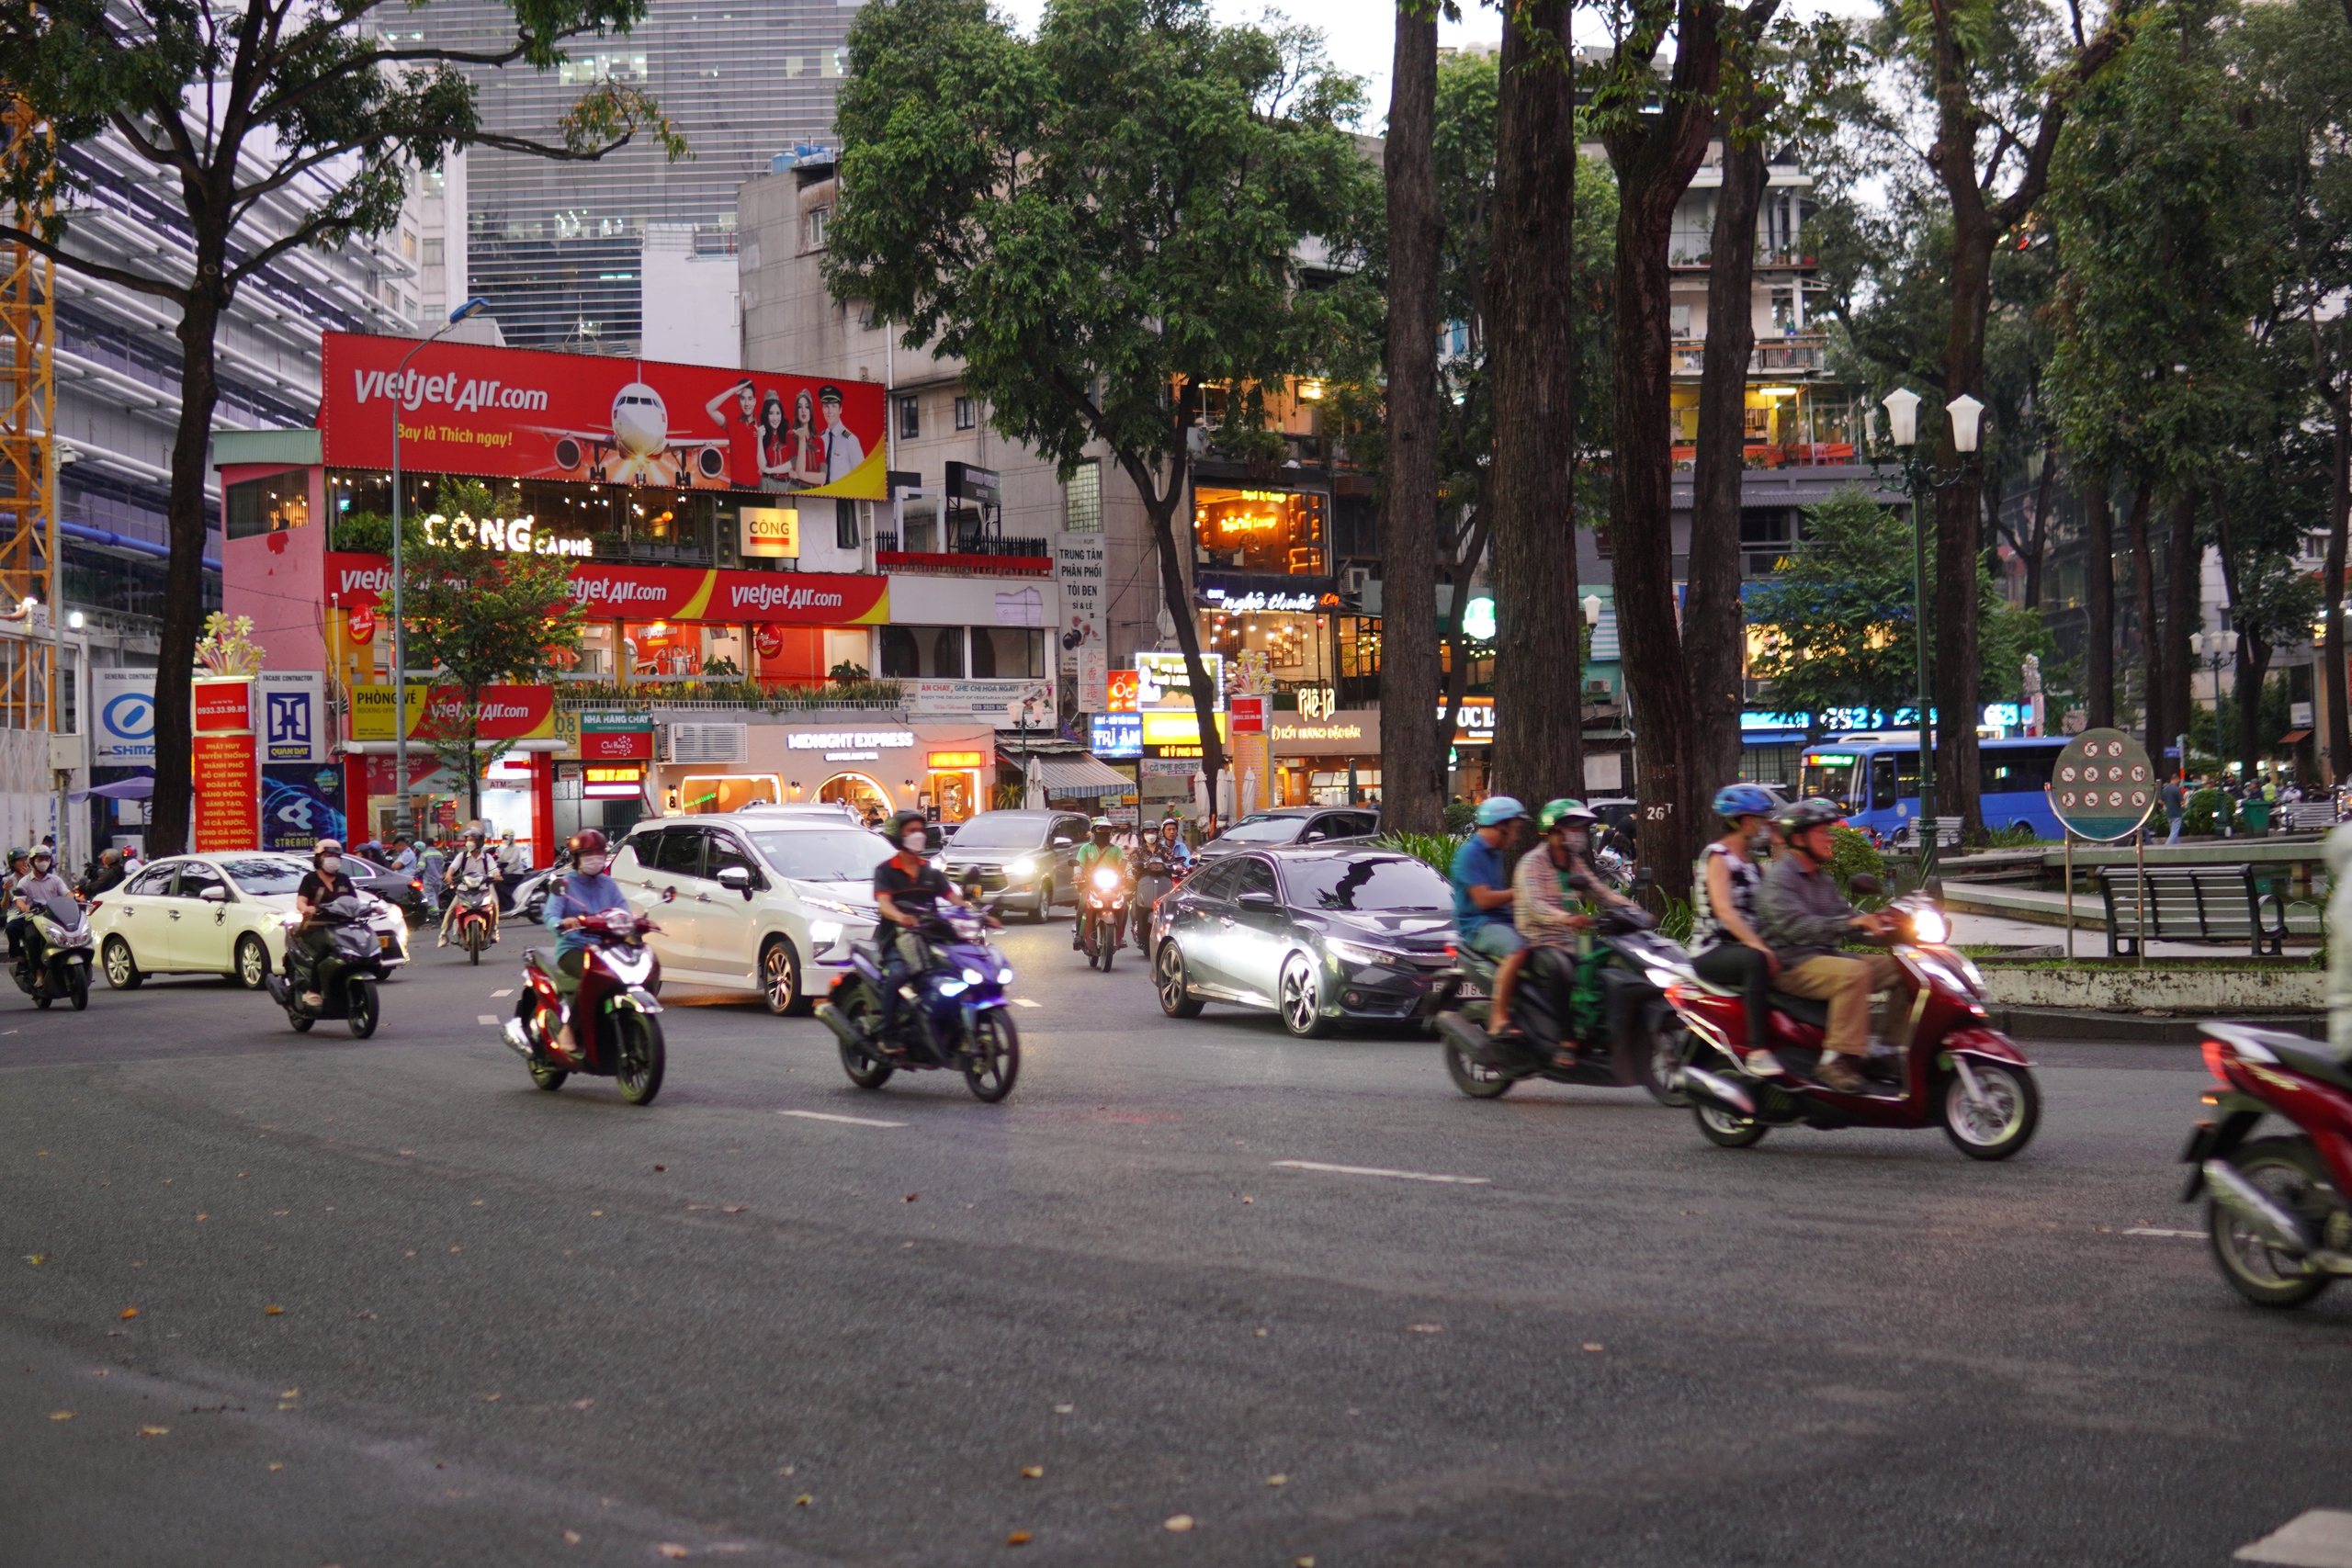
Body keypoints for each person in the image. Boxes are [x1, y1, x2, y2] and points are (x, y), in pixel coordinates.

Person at [1756, 798, 1912, 1094]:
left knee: (1904, 969)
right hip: (1793, 964)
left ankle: (1891, 1051)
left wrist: (1885, 927)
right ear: (1799, 838)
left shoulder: (1821, 879)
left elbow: (1847, 920)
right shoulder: (1780, 881)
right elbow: (1797, 928)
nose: (1830, 838)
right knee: (1853, 973)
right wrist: (1849, 925)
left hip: (1825, 957)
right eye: (1822, 832)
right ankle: (1835, 1061)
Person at [1512, 799, 1636, 1063]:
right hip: (1537, 942)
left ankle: (1598, 1029)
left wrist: (1634, 911)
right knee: (1561, 969)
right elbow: (1535, 906)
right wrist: (1567, 919)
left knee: (1610, 958)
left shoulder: (1574, 863)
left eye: (1581, 828)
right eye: (1572, 828)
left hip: (1569, 940)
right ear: (1552, 830)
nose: (1578, 834)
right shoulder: (1532, 863)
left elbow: (1600, 892)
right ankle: (1566, 1038)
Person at [870, 809, 980, 1051]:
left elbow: (954, 899)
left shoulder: (930, 871)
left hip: (931, 939)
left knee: (960, 971)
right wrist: (902, 917)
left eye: (920, 830)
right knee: (898, 975)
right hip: (897, 940)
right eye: (911, 831)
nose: (918, 835)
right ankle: (888, 1035)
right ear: (898, 835)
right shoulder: (886, 871)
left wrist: (979, 913)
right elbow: (885, 905)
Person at [1691, 784, 1782, 1073]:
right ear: (1745, 822)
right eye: (1762, 820)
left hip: (1740, 946)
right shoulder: (1718, 856)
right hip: (1713, 949)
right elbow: (1725, 911)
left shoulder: (1752, 864)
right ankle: (1758, 1051)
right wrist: (1758, 945)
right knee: (1756, 960)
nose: (1766, 826)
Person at [542, 829, 628, 1060]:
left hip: (606, 948)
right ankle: (569, 1028)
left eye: (599, 853)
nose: (595, 859)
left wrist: (634, 923)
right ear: (576, 857)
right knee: (591, 978)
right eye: (588, 854)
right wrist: (562, 923)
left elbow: (624, 911)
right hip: (573, 948)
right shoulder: (564, 885)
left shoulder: (608, 884)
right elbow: (550, 916)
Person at [1451, 796, 1531, 1035]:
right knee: (1518, 950)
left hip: (1500, 919)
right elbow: (1484, 900)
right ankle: (1498, 1016)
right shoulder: (1470, 854)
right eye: (1514, 830)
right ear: (1500, 826)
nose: (1516, 837)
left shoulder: (1495, 852)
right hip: (1478, 924)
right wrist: (1518, 894)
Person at [289, 839, 360, 1009]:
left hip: (341, 925)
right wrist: (308, 908)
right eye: (329, 855)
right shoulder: (310, 879)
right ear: (319, 858)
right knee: (325, 948)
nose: (333, 859)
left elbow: (355, 901)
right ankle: (313, 990)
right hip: (315, 926)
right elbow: (301, 902)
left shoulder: (344, 879)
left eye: (336, 856)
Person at [8, 846, 74, 965]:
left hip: (55, 917)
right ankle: (38, 973)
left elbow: (67, 893)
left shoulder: (55, 879)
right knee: (32, 938)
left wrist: (71, 899)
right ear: (33, 861)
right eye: (40, 859)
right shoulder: (24, 882)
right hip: (34, 919)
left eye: (46, 858)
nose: (44, 862)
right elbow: (19, 900)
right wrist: (24, 907)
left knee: (73, 932)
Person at [1071, 817, 1130, 950]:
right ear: (1094, 831)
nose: (1104, 832)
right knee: (1082, 904)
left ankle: (1120, 937)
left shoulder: (1116, 850)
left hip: (1113, 886)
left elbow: (1125, 864)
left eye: (1107, 830)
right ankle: (1079, 936)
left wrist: (1130, 875)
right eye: (1101, 829)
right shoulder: (1086, 848)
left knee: (1124, 905)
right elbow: (1079, 863)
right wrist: (1078, 874)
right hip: (1091, 885)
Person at [440, 829, 503, 948]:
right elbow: (453, 867)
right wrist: (448, 875)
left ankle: (494, 930)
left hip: (483, 888)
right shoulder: (462, 856)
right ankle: (443, 934)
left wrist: (497, 876)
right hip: (464, 889)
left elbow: (494, 869)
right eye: (468, 840)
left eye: (472, 840)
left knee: (494, 904)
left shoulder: (487, 857)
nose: (469, 843)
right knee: (452, 908)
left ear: (479, 842)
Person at [704, 378, 766, 491]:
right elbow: (709, 408)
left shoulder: (763, 428)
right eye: (743, 399)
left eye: (750, 399)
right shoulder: (733, 424)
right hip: (736, 488)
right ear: (738, 401)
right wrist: (733, 391)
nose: (747, 403)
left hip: (759, 489)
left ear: (755, 401)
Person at [815, 384, 865, 484]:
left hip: (844, 495)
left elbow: (862, 475)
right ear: (822, 410)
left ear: (840, 409)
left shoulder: (850, 440)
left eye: (834, 406)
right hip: (822, 496)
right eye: (826, 406)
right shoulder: (821, 439)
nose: (829, 411)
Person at [418, 837, 447, 910]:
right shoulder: (440, 854)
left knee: (431, 898)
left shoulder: (424, 854)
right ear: (433, 844)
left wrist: (415, 871)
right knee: (435, 898)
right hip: (438, 880)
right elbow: (442, 866)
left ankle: (435, 915)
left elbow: (421, 868)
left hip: (429, 880)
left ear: (426, 845)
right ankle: (437, 914)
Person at [2162, 776, 2186, 846]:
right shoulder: (2176, 789)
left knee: (2174, 831)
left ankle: (2178, 846)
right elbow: (2182, 802)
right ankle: (2167, 846)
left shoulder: (2165, 789)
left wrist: (2166, 804)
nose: (2179, 781)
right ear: (2175, 779)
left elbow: (2160, 800)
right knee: (2174, 832)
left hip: (2169, 813)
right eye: (2178, 780)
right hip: (2176, 813)